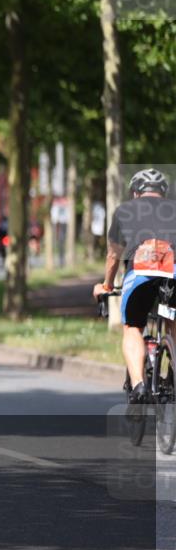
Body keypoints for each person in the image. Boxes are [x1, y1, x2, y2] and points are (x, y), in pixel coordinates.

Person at [92, 169, 176, 404]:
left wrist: (106, 286)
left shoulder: (125, 210)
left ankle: (139, 385)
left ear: (136, 193)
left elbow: (113, 256)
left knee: (132, 327)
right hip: (174, 275)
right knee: (172, 321)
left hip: (141, 275)